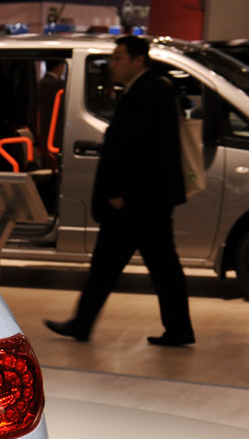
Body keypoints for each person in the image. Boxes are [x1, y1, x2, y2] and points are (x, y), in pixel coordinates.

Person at [45, 36, 194, 347]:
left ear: (138, 60)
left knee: (110, 264)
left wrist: (118, 191)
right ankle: (178, 328)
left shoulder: (144, 92)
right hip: (149, 199)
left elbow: (136, 149)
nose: (111, 65)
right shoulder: (151, 89)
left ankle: (83, 323)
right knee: (159, 265)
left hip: (134, 201)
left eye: (118, 58)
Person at [37, 58, 66, 165]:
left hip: (44, 130)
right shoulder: (56, 85)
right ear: (59, 66)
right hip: (54, 132)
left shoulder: (41, 82)